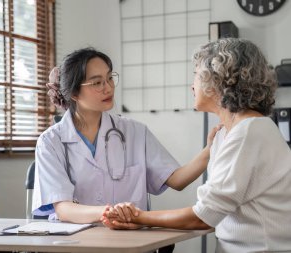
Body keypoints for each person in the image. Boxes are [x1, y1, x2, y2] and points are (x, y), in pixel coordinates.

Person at [101, 38, 291, 253]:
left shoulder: (248, 132)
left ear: (219, 80)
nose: (192, 85)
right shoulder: (227, 134)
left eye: (197, 75)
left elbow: (204, 217)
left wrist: (138, 217)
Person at [31, 47, 216, 228]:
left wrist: (209, 151)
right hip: (79, 243)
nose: (108, 87)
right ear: (73, 93)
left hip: (131, 240)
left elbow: (177, 180)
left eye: (110, 78)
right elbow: (63, 208)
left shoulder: (135, 132)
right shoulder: (51, 142)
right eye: (97, 83)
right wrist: (109, 212)